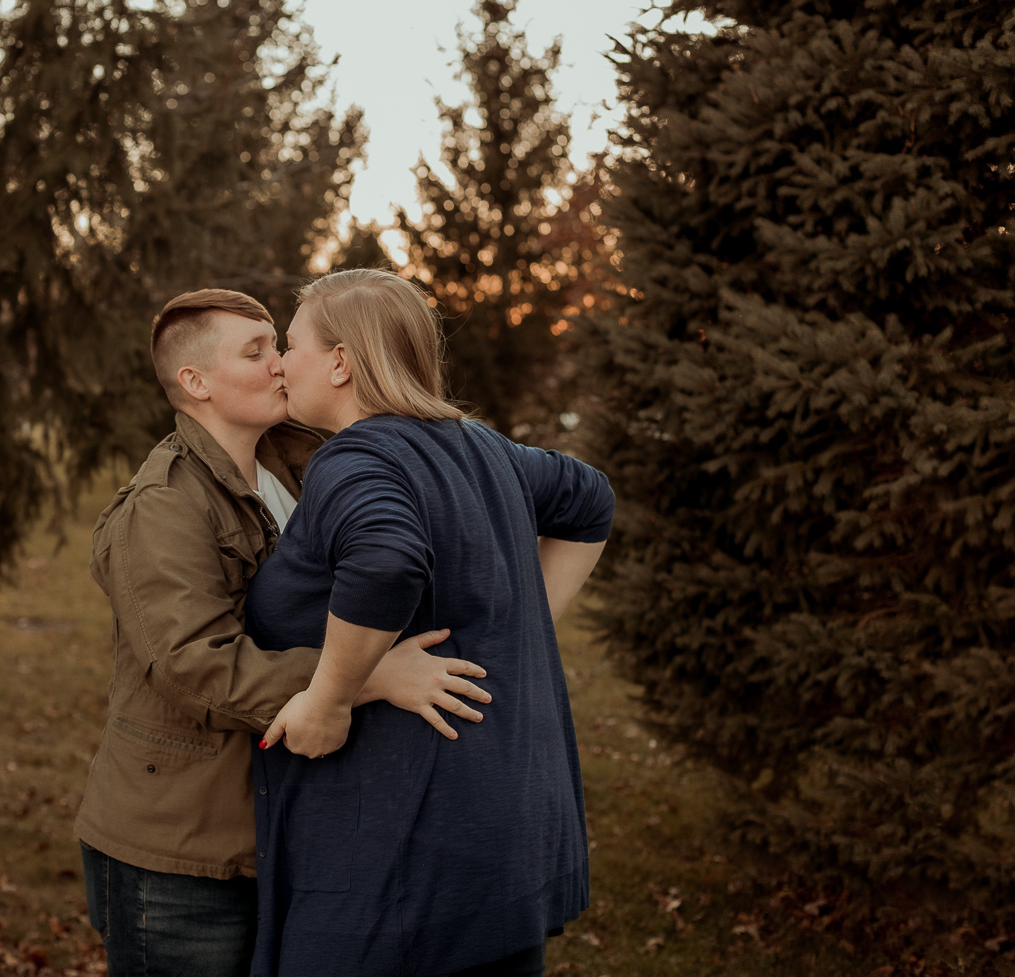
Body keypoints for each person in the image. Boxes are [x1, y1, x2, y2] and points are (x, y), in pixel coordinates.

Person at [74, 288, 493, 977]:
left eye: (277, 344)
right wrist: (367, 678)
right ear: (196, 382)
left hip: (283, 828)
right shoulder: (164, 506)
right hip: (181, 851)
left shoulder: (303, 468)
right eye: (255, 352)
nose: (279, 363)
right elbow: (197, 668)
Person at [247, 269, 615, 977]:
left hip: (400, 862)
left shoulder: (355, 457)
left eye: (290, 345)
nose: (281, 363)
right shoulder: (482, 448)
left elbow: (386, 561)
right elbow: (590, 497)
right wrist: (516, 623)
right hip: (501, 842)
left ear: (341, 362)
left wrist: (328, 701)